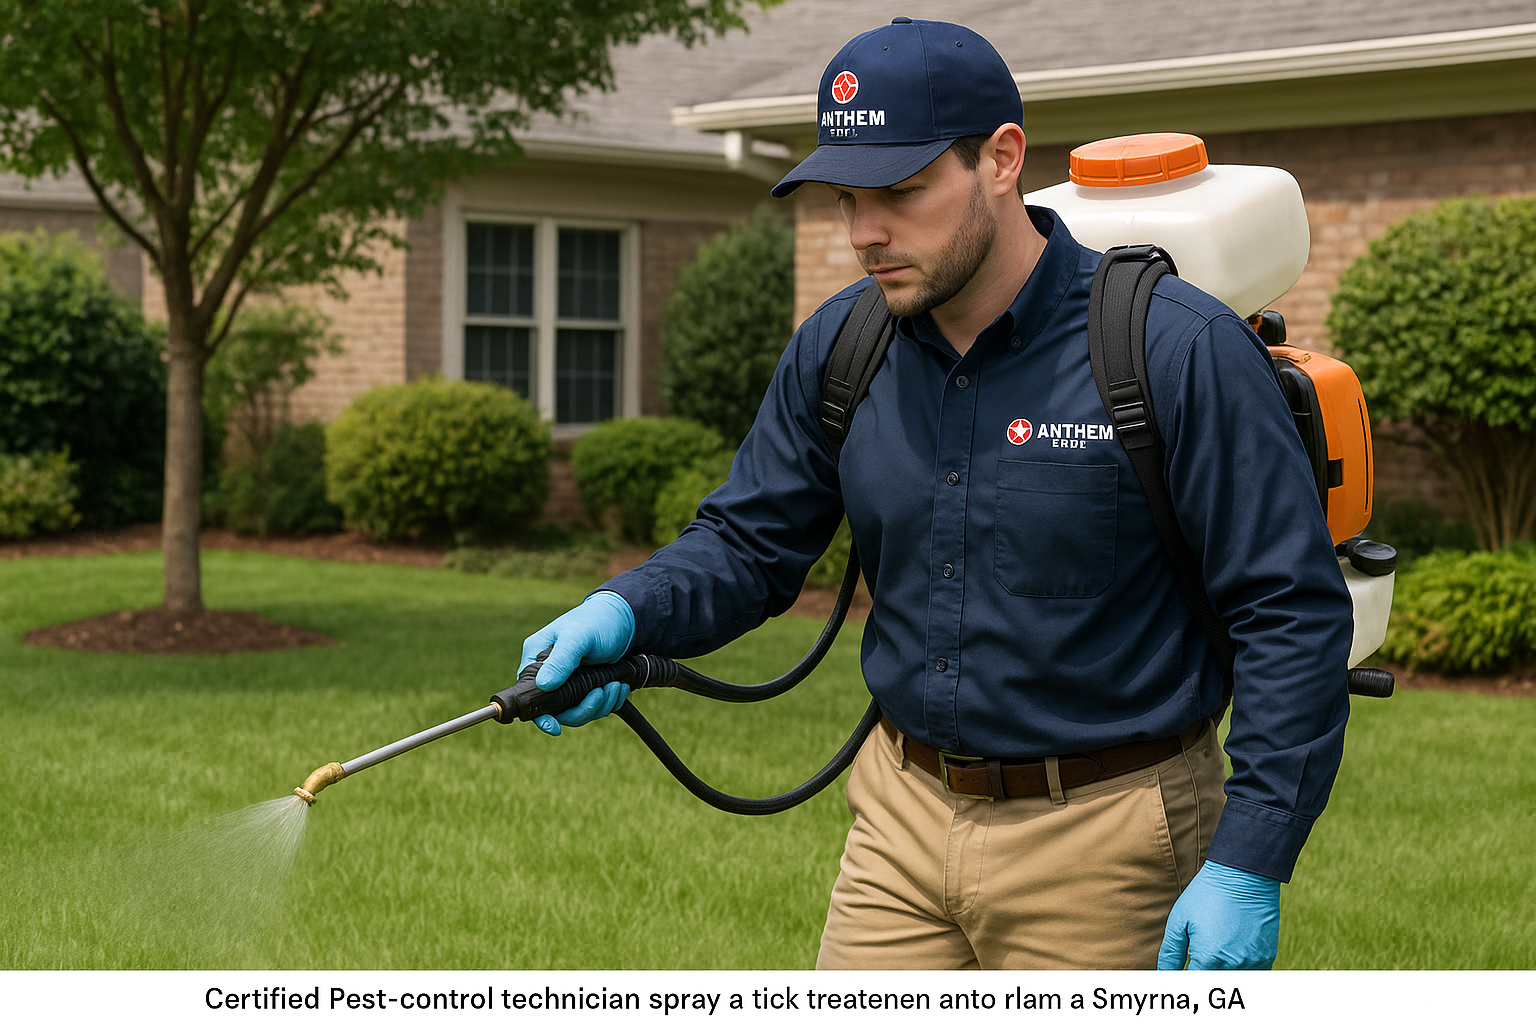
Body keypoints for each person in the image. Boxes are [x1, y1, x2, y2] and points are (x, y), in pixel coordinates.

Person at [520, 18, 1351, 971]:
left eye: (901, 191)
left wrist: (1250, 860)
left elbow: (1289, 611)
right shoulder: (842, 347)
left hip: (1115, 840)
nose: (865, 231)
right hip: (899, 828)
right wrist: (628, 610)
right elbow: (749, 545)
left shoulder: (1172, 350)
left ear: (1002, 160)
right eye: (847, 198)